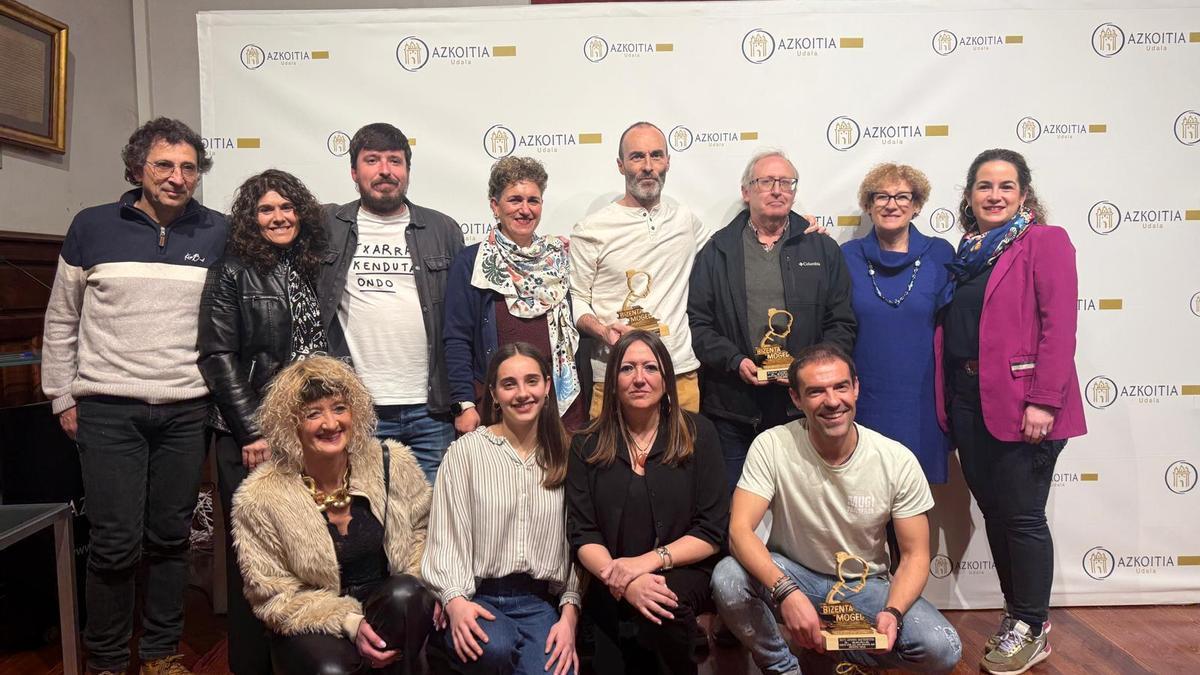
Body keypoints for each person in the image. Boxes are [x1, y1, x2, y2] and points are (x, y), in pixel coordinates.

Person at [41, 117, 228, 675]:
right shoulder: (92, 226)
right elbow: (61, 320)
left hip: (185, 408)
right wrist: (62, 398)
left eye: (188, 167)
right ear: (137, 168)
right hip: (107, 410)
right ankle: (105, 658)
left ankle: (160, 653)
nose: (177, 177)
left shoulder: (217, 232)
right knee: (114, 542)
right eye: (164, 165)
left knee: (171, 538)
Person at [711, 344, 961, 675]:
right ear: (796, 400)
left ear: (855, 388)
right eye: (815, 392)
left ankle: (830, 648)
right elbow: (740, 532)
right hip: (794, 574)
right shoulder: (771, 445)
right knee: (727, 577)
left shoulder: (896, 459)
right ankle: (785, 668)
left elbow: (916, 555)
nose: (832, 401)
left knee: (944, 649)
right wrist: (787, 593)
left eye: (840, 387)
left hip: (864, 586)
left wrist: (893, 613)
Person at [936, 149, 1086, 674]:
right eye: (983, 186)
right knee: (997, 514)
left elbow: (1059, 326)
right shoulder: (970, 250)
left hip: (1025, 405)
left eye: (1005, 186)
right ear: (969, 196)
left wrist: (1044, 400)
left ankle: (1032, 622)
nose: (994, 195)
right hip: (970, 400)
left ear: (1024, 193)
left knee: (1021, 517)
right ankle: (1017, 615)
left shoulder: (1045, 241)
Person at [197, 169, 329, 674]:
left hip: (311, 429)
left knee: (308, 544)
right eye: (267, 210)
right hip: (249, 435)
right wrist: (252, 429)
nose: (279, 218)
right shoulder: (232, 269)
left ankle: (303, 655)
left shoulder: (313, 263)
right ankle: (251, 664)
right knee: (255, 558)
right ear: (251, 219)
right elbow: (217, 354)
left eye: (287, 207)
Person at [232, 356, 436, 675]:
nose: (331, 424)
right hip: (316, 620)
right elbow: (272, 595)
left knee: (407, 593)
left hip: (389, 612)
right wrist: (349, 623)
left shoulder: (391, 462)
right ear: (291, 424)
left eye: (339, 408)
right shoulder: (259, 497)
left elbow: (423, 534)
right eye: (314, 414)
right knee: (331, 670)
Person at [688, 149, 856, 492]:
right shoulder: (717, 250)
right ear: (746, 191)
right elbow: (699, 323)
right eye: (766, 182)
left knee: (805, 509)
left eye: (786, 182)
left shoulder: (821, 249)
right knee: (737, 510)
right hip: (734, 410)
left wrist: (808, 371)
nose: (777, 190)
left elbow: (841, 322)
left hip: (805, 410)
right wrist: (735, 362)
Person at [566, 331, 728, 674]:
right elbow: (583, 534)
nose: (639, 378)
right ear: (612, 382)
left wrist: (645, 565)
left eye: (650, 368)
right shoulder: (586, 444)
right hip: (608, 576)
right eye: (627, 369)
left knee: (662, 603)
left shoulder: (699, 434)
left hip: (682, 571)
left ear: (667, 380)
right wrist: (623, 579)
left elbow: (711, 531)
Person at [422, 343, 582, 675]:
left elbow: (578, 546)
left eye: (532, 381)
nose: (522, 393)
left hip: (539, 602)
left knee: (555, 670)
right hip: (478, 595)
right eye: (509, 384)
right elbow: (446, 537)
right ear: (494, 393)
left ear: (548, 386)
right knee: (494, 647)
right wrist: (454, 602)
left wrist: (569, 617)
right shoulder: (466, 452)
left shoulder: (566, 456)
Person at [318, 122, 464, 483]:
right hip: (356, 409)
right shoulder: (327, 225)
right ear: (354, 171)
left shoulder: (442, 229)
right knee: (368, 521)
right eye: (372, 160)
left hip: (432, 409)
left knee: (431, 520)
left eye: (395, 161)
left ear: (408, 171)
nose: (385, 171)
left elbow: (463, 321)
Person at [569, 122, 713, 418]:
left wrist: (794, 226)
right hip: (614, 374)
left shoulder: (685, 220)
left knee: (683, 461)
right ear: (621, 165)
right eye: (637, 157)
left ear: (668, 163)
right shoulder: (591, 228)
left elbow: (733, 248)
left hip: (678, 371)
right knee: (611, 462)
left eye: (656, 156)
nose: (648, 166)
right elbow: (578, 299)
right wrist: (603, 330)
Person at [444, 157, 584, 435]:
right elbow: (456, 337)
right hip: (496, 404)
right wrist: (464, 404)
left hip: (555, 400)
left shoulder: (558, 256)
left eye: (533, 200)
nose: (525, 209)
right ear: (495, 206)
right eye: (514, 200)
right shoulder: (473, 262)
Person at [840, 163, 954, 484]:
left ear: (916, 206)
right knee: (865, 497)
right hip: (866, 398)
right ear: (868, 205)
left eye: (903, 196)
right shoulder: (846, 257)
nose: (892, 204)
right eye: (882, 197)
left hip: (922, 400)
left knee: (914, 500)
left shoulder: (941, 254)